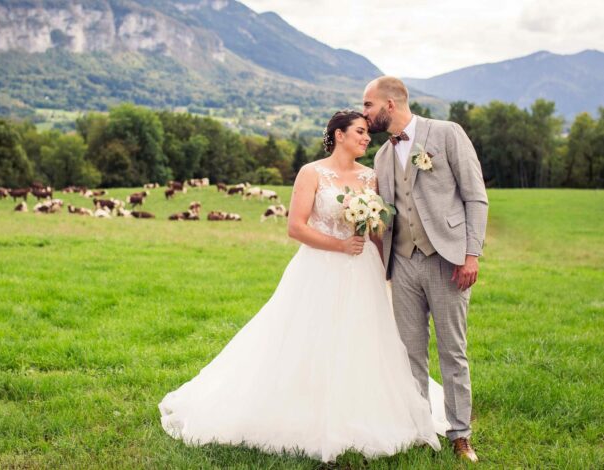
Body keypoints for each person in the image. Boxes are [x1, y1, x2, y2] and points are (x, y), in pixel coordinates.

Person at [159, 110, 446, 463]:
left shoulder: (370, 178)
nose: (366, 138)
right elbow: (295, 227)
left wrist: (380, 248)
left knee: (364, 338)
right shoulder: (311, 173)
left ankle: (365, 409)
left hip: (363, 271)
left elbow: (376, 233)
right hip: (319, 268)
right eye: (359, 131)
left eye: (367, 133)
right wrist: (340, 244)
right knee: (310, 337)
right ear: (338, 135)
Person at [364, 76, 488, 463]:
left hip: (447, 260)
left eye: (368, 105)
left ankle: (460, 434)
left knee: (453, 351)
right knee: (410, 353)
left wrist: (471, 254)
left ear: (389, 104)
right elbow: (385, 214)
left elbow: (475, 196)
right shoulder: (381, 157)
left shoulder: (447, 133)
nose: (364, 113)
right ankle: (420, 430)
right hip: (401, 264)